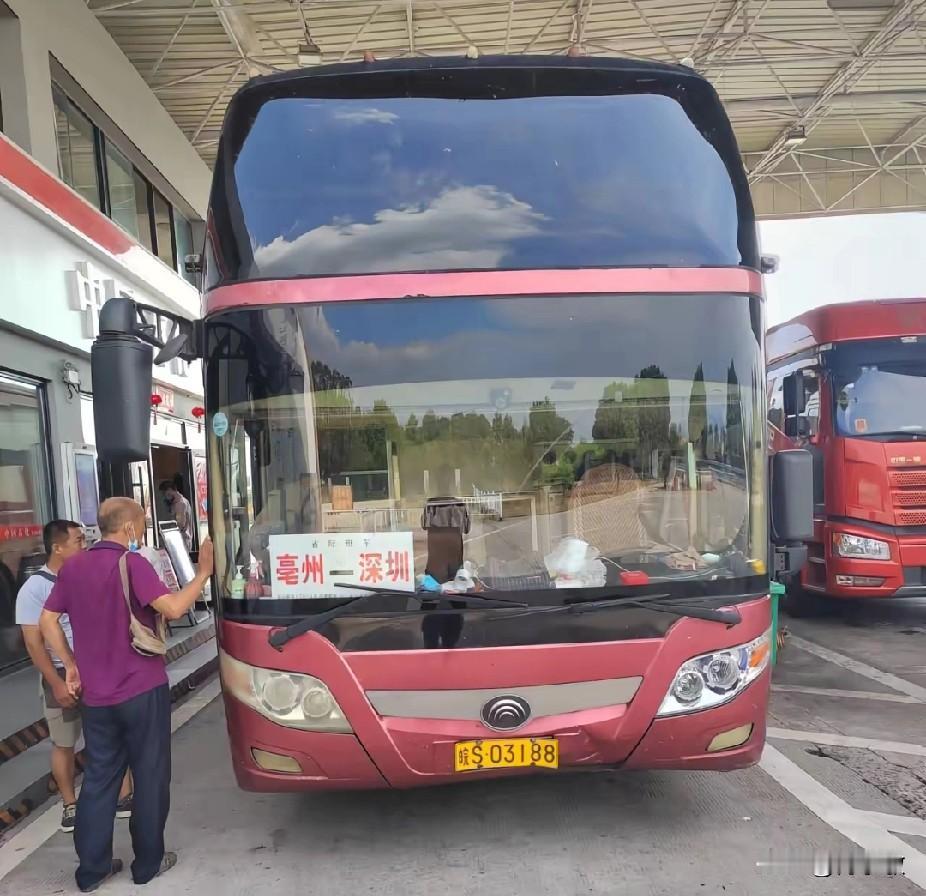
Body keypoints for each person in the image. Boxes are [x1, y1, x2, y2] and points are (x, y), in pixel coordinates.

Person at [40, 498, 213, 892]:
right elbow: (173, 608)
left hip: (97, 699)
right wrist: (203, 573)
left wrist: (70, 663)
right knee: (149, 775)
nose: (144, 528)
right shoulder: (132, 563)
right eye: (143, 522)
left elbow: (47, 621)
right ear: (130, 527)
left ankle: (92, 870)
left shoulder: (73, 567)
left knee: (99, 778)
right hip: (141, 689)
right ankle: (147, 865)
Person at [15, 521, 133, 834]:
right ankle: (70, 804)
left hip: (96, 670)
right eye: (79, 541)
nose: (85, 546)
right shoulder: (34, 589)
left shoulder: (86, 576)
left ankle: (125, 796)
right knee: (64, 742)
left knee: (111, 734)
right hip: (60, 674)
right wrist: (56, 683)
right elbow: (33, 643)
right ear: (57, 548)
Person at [158, 480, 194, 551]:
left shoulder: (180, 504)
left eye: (164, 493)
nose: (164, 496)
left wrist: (165, 536)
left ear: (170, 490)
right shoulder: (182, 501)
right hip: (182, 541)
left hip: (181, 543)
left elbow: (180, 525)